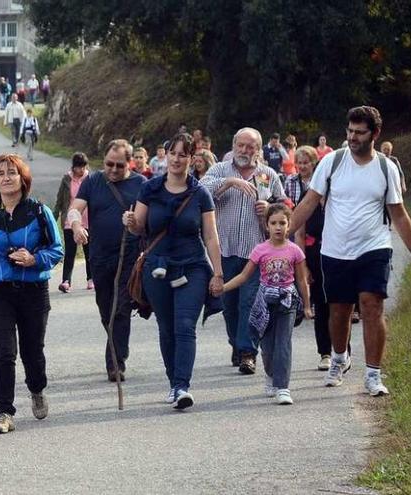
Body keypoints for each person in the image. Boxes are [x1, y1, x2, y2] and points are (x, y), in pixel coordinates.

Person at [289, 106, 411, 396]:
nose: (353, 137)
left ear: (375, 134)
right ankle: (339, 357)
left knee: (371, 305)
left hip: (374, 247)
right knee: (339, 310)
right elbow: (308, 202)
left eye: (360, 132)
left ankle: (373, 375)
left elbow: (399, 213)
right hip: (335, 249)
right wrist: (280, 237)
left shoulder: (386, 168)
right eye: (350, 132)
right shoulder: (331, 162)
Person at [122, 133, 223, 409]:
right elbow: (139, 227)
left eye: (183, 154)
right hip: (157, 266)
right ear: (165, 156)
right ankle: (173, 382)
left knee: (185, 325)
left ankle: (182, 386)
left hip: (193, 266)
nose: (177, 159)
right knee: (166, 327)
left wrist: (218, 273)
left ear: (193, 159)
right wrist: (130, 221)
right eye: (173, 153)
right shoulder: (151, 189)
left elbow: (211, 236)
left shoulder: (200, 193)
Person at [0, 154, 63, 434]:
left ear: (23, 178)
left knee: (32, 351)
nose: (6, 177)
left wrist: (34, 259)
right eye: (0, 173)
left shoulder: (38, 212)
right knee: (4, 352)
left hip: (33, 291)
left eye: (12, 172)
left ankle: (37, 389)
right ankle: (4, 411)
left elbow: (57, 249)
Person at [201, 127, 287, 375]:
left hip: (256, 253)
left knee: (249, 303)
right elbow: (200, 189)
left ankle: (248, 352)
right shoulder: (220, 169)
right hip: (224, 251)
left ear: (258, 150)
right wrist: (229, 182)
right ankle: (236, 344)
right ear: (233, 145)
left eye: (251, 146)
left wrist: (269, 208)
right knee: (229, 305)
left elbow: (283, 208)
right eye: (241, 145)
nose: (245, 151)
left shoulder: (267, 175)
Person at [68, 139, 147, 382]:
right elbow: (75, 208)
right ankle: (116, 346)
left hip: (130, 257)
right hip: (99, 257)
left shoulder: (141, 184)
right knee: (106, 310)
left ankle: (116, 362)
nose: (113, 169)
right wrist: (76, 225)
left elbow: (148, 222)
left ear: (130, 163)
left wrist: (134, 222)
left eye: (119, 165)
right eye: (109, 164)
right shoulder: (93, 181)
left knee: (121, 308)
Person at [220, 204, 312, 405]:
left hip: (287, 302)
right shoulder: (260, 250)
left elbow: (302, 280)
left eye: (282, 223)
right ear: (267, 225)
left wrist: (306, 305)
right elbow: (244, 276)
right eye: (274, 223)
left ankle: (283, 387)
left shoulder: (294, 250)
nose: (278, 227)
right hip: (264, 304)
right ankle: (270, 375)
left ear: (289, 226)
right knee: (268, 347)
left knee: (283, 345)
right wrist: (224, 287)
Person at [285, 145, 334, 370]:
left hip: (338, 253)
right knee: (322, 305)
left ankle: (343, 352)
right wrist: (303, 266)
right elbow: (300, 232)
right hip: (314, 254)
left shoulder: (336, 195)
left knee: (340, 304)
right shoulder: (307, 196)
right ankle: (325, 353)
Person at [53, 152, 93, 293]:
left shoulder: (91, 179)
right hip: (70, 220)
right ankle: (66, 281)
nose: (81, 170)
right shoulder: (66, 179)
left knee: (89, 252)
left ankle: (90, 279)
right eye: (78, 167)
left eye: (83, 167)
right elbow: (59, 200)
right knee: (70, 252)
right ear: (73, 167)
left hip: (88, 220)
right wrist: (54, 217)